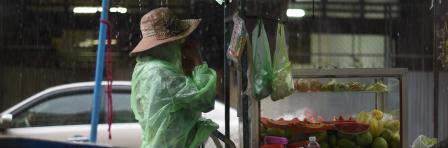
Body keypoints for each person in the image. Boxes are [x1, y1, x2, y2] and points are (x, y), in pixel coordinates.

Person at [129, 8, 218, 148]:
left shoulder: (144, 68)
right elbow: (205, 100)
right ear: (169, 44)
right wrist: (197, 58)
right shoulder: (162, 74)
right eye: (179, 42)